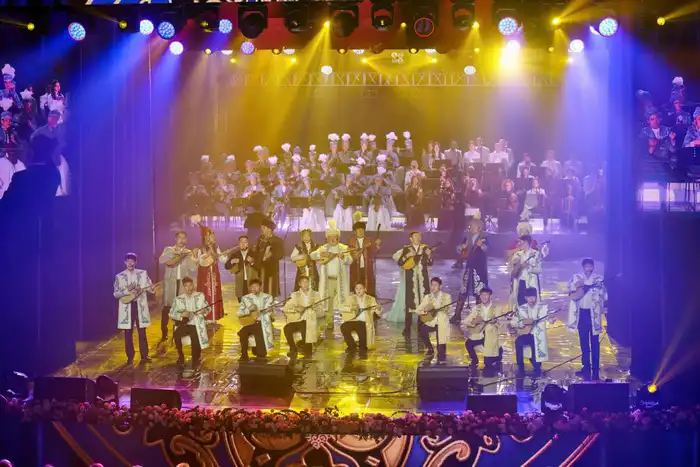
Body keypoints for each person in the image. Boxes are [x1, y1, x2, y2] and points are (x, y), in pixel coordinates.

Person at [566, 258, 607, 380]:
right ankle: (586, 367)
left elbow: (604, 295)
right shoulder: (577, 277)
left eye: (590, 266)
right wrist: (577, 285)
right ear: (583, 267)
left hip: (593, 314)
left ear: (593, 267)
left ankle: (596, 368)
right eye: (587, 266)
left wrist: (599, 289)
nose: (589, 268)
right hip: (582, 314)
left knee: (595, 343)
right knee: (583, 342)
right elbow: (569, 289)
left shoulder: (598, 279)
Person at [310, 220, 353, 331]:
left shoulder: (343, 248)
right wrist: (321, 254)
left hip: (340, 280)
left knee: (344, 300)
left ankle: (347, 322)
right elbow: (312, 255)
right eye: (331, 237)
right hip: (328, 280)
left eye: (335, 237)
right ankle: (329, 322)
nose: (333, 239)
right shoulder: (323, 248)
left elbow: (350, 260)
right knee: (327, 302)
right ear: (327, 238)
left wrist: (344, 257)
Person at [388, 231, 433, 337]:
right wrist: (408, 255)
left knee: (423, 302)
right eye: (415, 236)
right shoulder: (406, 249)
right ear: (411, 239)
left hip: (423, 280)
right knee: (410, 304)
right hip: (411, 280)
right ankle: (407, 327)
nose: (418, 238)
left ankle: (421, 326)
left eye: (419, 236)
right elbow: (400, 262)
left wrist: (429, 255)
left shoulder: (425, 248)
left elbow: (430, 263)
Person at [113, 253, 154, 364]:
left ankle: (144, 355)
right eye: (128, 261)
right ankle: (130, 357)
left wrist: (151, 288)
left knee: (142, 331)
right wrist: (128, 290)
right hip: (127, 307)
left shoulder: (142, 273)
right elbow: (116, 293)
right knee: (128, 332)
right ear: (125, 262)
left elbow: (150, 288)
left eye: (132, 261)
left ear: (136, 262)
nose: (130, 263)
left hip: (139, 305)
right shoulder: (119, 276)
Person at [158, 231, 196, 342]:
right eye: (180, 238)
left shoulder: (188, 252)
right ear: (176, 239)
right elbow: (161, 260)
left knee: (181, 308)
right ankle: (164, 332)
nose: (182, 240)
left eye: (184, 238)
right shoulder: (169, 250)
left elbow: (193, 268)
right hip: (170, 284)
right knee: (167, 308)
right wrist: (175, 253)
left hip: (182, 284)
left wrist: (190, 257)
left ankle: (177, 333)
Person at [511, 287, 555, 376]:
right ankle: (520, 366)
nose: (531, 299)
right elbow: (514, 322)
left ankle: (537, 367)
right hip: (527, 334)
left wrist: (552, 318)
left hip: (538, 335)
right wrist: (523, 323)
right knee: (518, 342)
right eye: (529, 297)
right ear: (525, 298)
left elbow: (550, 320)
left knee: (536, 363)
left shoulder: (542, 307)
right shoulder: (521, 308)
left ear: (536, 297)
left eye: (533, 296)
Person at [453, 216, 489, 324]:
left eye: (472, 226)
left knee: (479, 293)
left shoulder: (484, 238)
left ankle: (479, 316)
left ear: (479, 228)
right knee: (463, 292)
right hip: (469, 268)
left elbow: (488, 249)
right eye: (470, 226)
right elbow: (459, 251)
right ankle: (457, 315)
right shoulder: (467, 238)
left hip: (479, 270)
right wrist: (460, 247)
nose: (470, 228)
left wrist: (482, 245)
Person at [191, 219, 227, 323]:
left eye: (212, 235)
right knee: (205, 294)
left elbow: (223, 259)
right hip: (204, 275)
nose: (212, 237)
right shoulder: (200, 248)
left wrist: (223, 256)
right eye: (210, 235)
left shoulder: (216, 248)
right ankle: (206, 317)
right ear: (205, 237)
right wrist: (204, 256)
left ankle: (214, 316)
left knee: (215, 294)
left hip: (214, 274)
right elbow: (199, 261)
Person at [170, 277, 210, 367]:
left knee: (194, 335)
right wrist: (182, 314)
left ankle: (195, 358)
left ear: (193, 285)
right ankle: (181, 356)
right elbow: (171, 313)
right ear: (183, 287)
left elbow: (208, 308)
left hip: (196, 324)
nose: (189, 288)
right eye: (186, 286)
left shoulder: (200, 296)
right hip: (185, 324)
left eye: (190, 285)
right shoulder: (178, 299)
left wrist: (204, 310)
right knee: (176, 334)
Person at [282, 275, 324, 359]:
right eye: (303, 282)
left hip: (309, 320)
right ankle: (293, 348)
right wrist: (296, 309)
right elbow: (285, 308)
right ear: (299, 284)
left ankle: (306, 351)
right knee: (287, 328)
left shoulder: (315, 294)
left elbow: (321, 311)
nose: (305, 284)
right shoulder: (295, 295)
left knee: (305, 329)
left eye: (307, 282)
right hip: (297, 320)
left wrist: (315, 309)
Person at [463, 287, 504, 368]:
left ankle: (499, 352)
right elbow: (466, 321)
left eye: (486, 295)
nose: (484, 297)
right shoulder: (477, 308)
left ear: (490, 296)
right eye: (482, 295)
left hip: (490, 335)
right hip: (480, 334)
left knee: (488, 363)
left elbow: (501, 324)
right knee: (468, 343)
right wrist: (473, 324)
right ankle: (474, 360)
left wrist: (495, 322)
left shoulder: (496, 308)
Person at [415, 277, 453, 362]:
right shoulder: (427, 297)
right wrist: (424, 312)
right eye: (432, 285)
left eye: (435, 285)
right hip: (431, 322)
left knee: (441, 351)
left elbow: (450, 310)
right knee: (422, 330)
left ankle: (441, 357)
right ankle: (430, 348)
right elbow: (418, 310)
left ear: (440, 286)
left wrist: (445, 309)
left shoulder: (446, 296)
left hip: (442, 323)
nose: (433, 287)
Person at [237, 278, 275, 361]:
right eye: (252, 286)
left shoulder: (268, 297)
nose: (254, 288)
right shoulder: (245, 298)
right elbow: (239, 313)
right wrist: (249, 309)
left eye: (256, 286)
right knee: (242, 332)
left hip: (262, 323)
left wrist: (267, 312)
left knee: (258, 328)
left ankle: (260, 353)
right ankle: (244, 354)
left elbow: (270, 312)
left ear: (260, 287)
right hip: (250, 323)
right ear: (250, 288)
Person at [340, 282, 381, 358]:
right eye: (357, 288)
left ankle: (362, 348)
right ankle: (352, 345)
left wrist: (378, 308)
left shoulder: (370, 299)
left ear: (365, 289)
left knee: (363, 344)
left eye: (361, 288)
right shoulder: (351, 298)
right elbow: (343, 308)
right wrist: (351, 308)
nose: (358, 290)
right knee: (343, 326)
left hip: (364, 322)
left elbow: (377, 312)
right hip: (353, 320)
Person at [347, 212, 381, 297]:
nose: (360, 231)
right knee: (356, 282)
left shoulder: (369, 240)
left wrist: (377, 245)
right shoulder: (351, 240)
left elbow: (374, 252)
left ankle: (369, 299)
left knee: (368, 283)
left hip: (367, 267)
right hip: (355, 266)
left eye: (362, 230)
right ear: (355, 231)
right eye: (358, 230)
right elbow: (351, 253)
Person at [508, 235, 543, 308]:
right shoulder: (517, 254)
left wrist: (528, 266)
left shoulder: (536, 254)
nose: (519, 244)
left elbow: (539, 270)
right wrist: (514, 263)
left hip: (531, 284)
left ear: (527, 242)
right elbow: (510, 269)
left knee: (532, 305)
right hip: (520, 283)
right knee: (520, 304)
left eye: (521, 242)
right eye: (519, 242)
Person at [254, 217, 285, 296]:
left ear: (269, 229)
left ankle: (270, 303)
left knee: (270, 290)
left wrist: (271, 255)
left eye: (263, 227)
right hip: (260, 268)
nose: (261, 229)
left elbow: (280, 254)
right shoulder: (260, 239)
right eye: (261, 227)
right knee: (261, 288)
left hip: (271, 269)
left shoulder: (277, 240)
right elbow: (256, 251)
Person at [224, 235, 258, 300]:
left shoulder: (254, 254)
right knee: (241, 302)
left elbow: (259, 267)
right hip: (240, 283)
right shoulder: (235, 254)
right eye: (241, 242)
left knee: (253, 302)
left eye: (245, 242)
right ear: (238, 244)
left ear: (248, 244)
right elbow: (226, 266)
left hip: (252, 283)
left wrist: (252, 262)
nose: (243, 244)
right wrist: (232, 261)